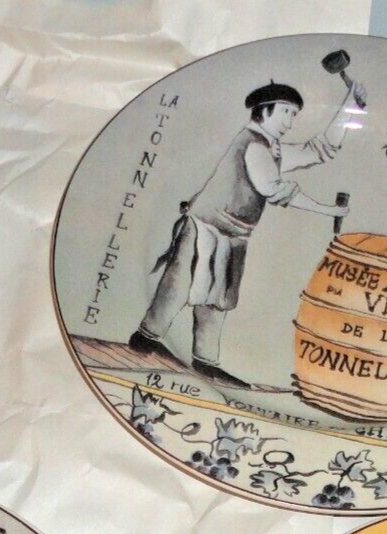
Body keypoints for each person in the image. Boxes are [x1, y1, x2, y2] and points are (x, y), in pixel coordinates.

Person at [129, 77, 365, 389]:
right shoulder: (254, 145)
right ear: (264, 110)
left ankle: (205, 360)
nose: (290, 121)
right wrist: (328, 210)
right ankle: (146, 338)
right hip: (205, 225)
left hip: (233, 233)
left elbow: (318, 151)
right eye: (286, 112)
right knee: (179, 285)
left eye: (294, 114)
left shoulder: (271, 148)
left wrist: (350, 107)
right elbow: (272, 188)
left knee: (218, 298)